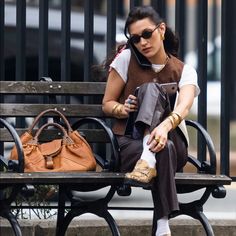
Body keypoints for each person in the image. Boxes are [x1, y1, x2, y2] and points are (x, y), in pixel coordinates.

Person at [102, 6, 200, 236]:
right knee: (161, 148)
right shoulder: (126, 59)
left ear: (161, 30)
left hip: (174, 142)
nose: (142, 42)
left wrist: (164, 127)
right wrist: (122, 108)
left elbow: (184, 106)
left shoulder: (185, 70)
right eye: (135, 39)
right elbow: (107, 103)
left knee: (162, 137)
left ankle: (150, 151)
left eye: (147, 34)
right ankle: (163, 227)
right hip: (130, 146)